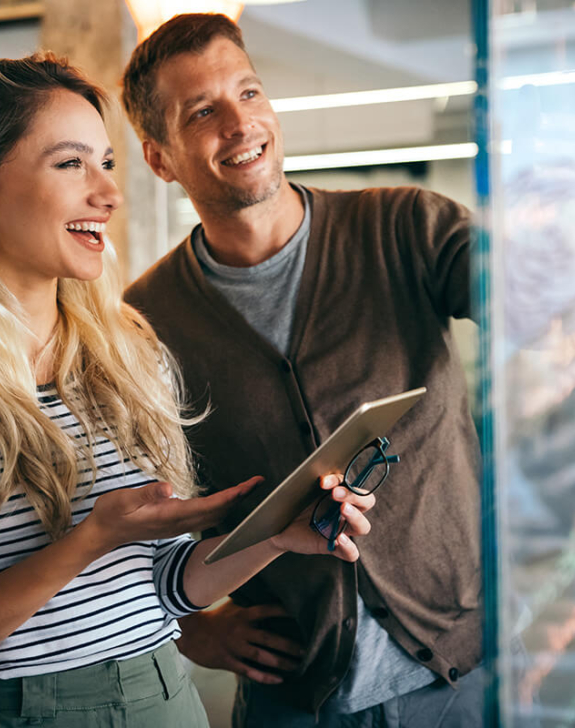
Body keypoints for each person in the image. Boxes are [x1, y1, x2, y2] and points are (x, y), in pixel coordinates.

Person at [0, 53, 375, 728]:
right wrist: (89, 541)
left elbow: (161, 586)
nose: (109, 193)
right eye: (70, 165)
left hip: (167, 700)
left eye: (107, 164)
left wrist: (275, 537)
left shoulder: (128, 354)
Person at [121, 13, 483, 728]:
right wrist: (197, 632)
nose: (239, 122)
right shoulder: (144, 323)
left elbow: (541, 301)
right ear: (159, 158)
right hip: (296, 699)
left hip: (460, 674)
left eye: (249, 93)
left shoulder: (405, 228)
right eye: (203, 111)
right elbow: (130, 526)